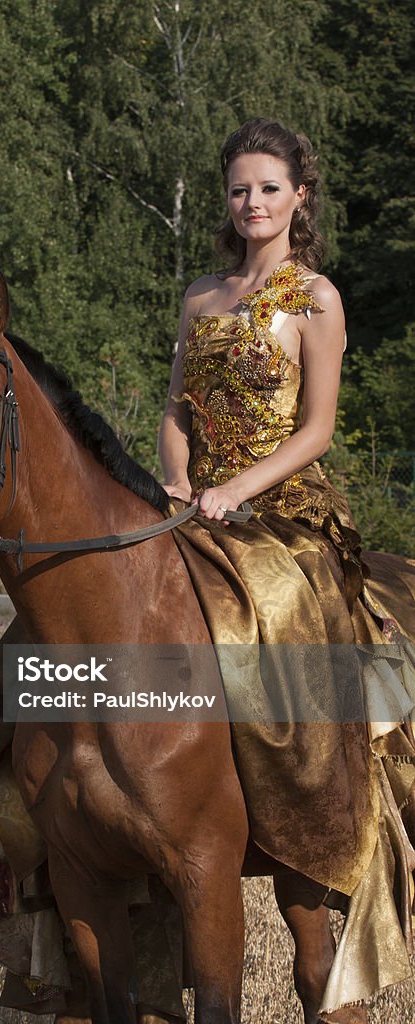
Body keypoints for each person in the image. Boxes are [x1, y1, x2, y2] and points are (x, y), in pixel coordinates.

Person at [158, 116, 415, 1016]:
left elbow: (316, 430)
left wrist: (238, 492)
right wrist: (179, 481)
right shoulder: (199, 297)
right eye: (238, 189)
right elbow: (177, 410)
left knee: (290, 610)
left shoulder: (316, 298)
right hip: (198, 504)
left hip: (285, 508)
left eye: (268, 187)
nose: (251, 202)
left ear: (298, 196)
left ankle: (321, 786)